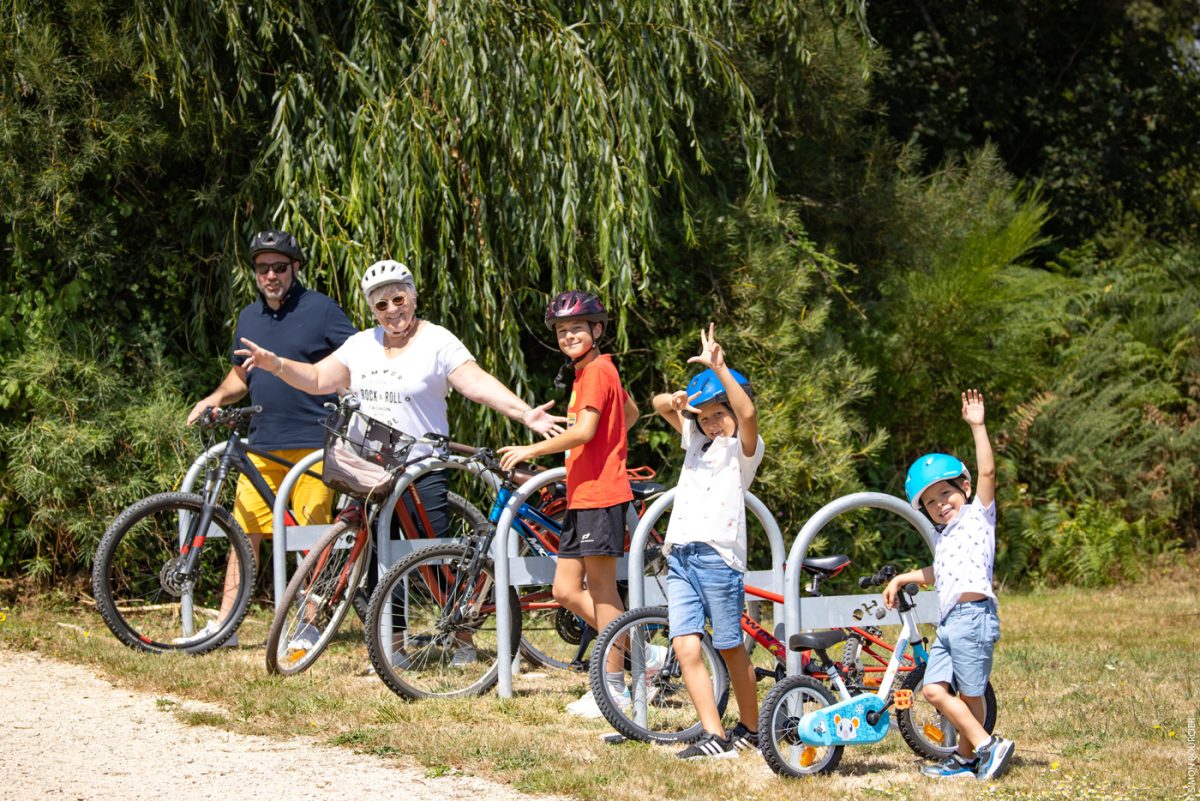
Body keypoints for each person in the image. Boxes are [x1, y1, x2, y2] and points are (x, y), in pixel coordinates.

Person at [236, 260, 565, 661]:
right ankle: (394, 648)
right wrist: (276, 365)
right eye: (381, 305)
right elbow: (319, 379)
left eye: (398, 298)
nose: (392, 310)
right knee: (377, 565)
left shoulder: (437, 341)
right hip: (369, 470)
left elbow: (475, 383)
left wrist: (524, 412)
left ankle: (462, 642)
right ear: (371, 309)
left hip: (421, 468)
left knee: (438, 560)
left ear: (412, 296)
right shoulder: (360, 345)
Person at [180, 229, 357, 646]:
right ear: (256, 273)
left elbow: (355, 364)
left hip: (314, 443)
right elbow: (240, 377)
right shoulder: (248, 318)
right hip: (260, 443)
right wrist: (214, 397)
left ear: (295, 267)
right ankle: (227, 625)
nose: (271, 275)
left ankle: (310, 624)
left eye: (280, 266)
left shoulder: (322, 310)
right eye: (263, 268)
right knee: (244, 533)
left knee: (311, 535)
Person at [497, 290, 638, 717]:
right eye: (561, 330)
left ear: (597, 329)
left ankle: (615, 689)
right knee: (563, 589)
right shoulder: (594, 371)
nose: (568, 335)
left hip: (601, 495)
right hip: (583, 494)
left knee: (602, 592)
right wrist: (613, 442)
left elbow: (584, 432)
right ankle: (638, 651)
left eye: (576, 327)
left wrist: (529, 451)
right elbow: (628, 414)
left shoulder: (596, 371)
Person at [883, 388, 1014, 780]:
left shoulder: (978, 518)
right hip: (949, 622)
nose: (940, 504)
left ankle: (982, 750)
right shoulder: (944, 537)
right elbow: (938, 573)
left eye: (946, 493)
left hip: (975, 616)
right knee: (934, 690)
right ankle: (974, 751)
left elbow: (989, 471)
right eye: (930, 502)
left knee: (971, 694)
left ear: (965, 489)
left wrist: (978, 426)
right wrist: (905, 576)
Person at [650, 324, 764, 759]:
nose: (713, 423)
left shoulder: (743, 450)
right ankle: (715, 736)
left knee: (731, 645)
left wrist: (719, 367)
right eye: (706, 416)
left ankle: (751, 728)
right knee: (685, 643)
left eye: (720, 413)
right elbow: (659, 405)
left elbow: (748, 415)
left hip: (718, 558)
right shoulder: (695, 442)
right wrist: (680, 402)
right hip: (680, 553)